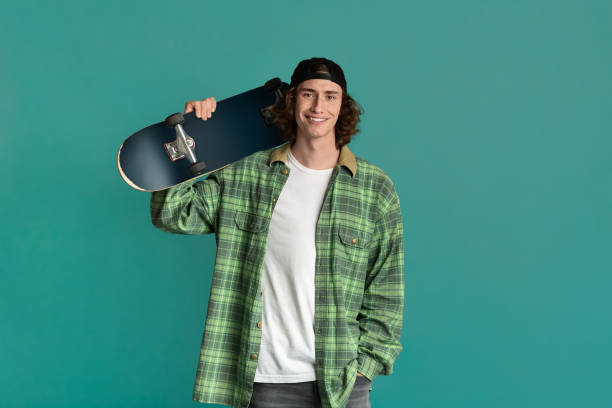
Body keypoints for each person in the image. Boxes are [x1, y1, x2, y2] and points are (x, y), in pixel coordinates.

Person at [150, 57, 404, 408]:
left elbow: (386, 290)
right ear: (291, 101)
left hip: (342, 382)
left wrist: (365, 369)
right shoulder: (247, 174)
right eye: (308, 94)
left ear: (343, 105)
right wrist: (192, 139)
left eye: (331, 96)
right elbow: (174, 214)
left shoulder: (374, 188)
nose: (318, 106)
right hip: (267, 380)